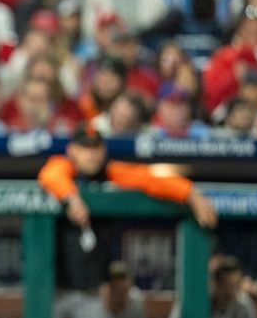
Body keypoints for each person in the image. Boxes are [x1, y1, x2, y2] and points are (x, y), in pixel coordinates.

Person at [38, 124, 217, 318]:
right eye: (84, 148)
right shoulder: (63, 168)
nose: (91, 154)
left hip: (92, 292)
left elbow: (150, 179)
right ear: (72, 150)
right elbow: (50, 174)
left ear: (103, 150)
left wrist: (190, 193)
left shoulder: (111, 173)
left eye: (95, 148)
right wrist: (71, 198)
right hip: (53, 290)